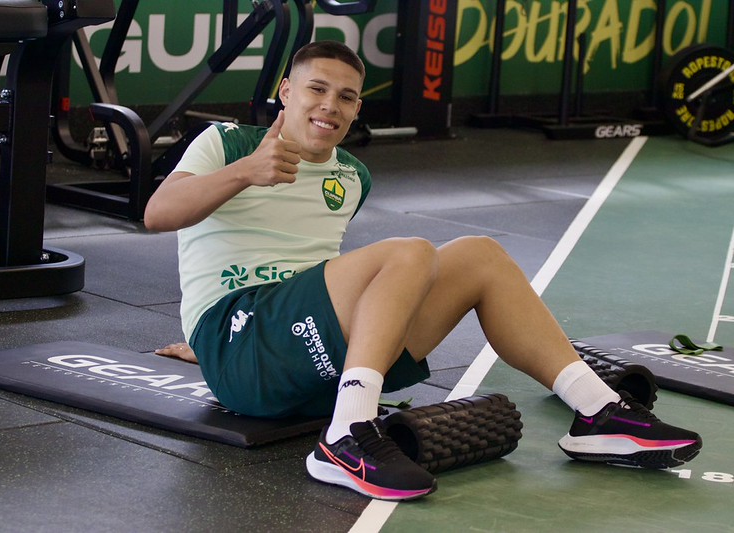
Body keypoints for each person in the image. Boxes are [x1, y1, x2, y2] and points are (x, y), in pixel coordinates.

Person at [144, 41, 702, 501]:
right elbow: (157, 214)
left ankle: (599, 414)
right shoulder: (227, 143)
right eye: (316, 89)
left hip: (301, 349)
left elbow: (319, 277)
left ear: (358, 109)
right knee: (409, 251)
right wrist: (244, 173)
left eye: (346, 97)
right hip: (241, 336)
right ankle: (344, 439)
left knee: (478, 254)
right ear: (286, 92)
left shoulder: (352, 176)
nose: (330, 106)